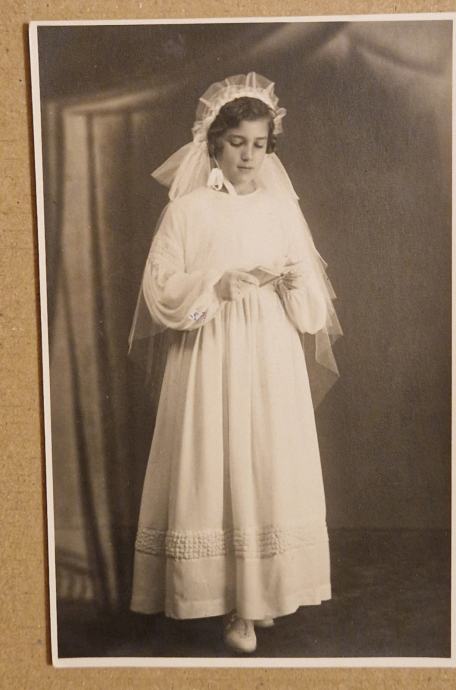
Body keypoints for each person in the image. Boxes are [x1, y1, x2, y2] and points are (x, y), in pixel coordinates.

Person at [128, 72, 343, 654]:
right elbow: (159, 289)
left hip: (269, 354)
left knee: (265, 461)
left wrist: (295, 285)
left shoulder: (280, 211)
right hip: (210, 352)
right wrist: (215, 286)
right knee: (217, 461)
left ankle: (262, 593)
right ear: (214, 144)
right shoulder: (188, 211)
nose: (249, 155)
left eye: (259, 144)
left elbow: (312, 311)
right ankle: (231, 606)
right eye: (237, 142)